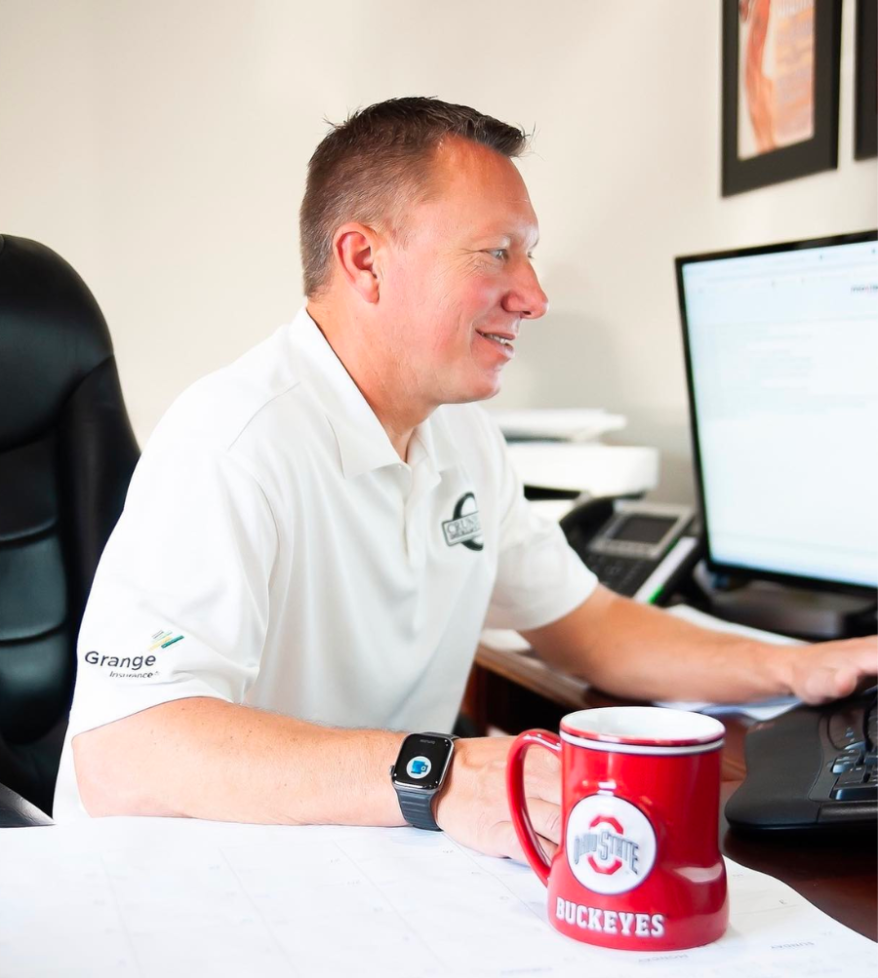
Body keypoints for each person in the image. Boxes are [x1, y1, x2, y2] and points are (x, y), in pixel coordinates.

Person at [56, 98, 876, 863]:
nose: (535, 296)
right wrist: (440, 774)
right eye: (496, 253)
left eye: (530, 255)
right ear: (365, 260)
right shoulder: (234, 440)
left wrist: (797, 668)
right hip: (193, 884)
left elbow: (586, 626)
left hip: (355, 857)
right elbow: (126, 753)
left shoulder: (460, 436)